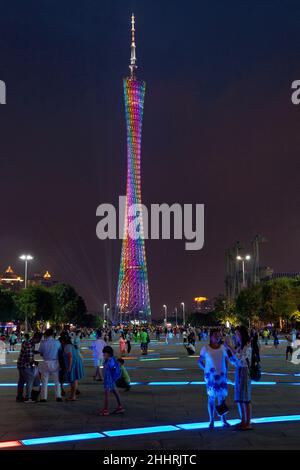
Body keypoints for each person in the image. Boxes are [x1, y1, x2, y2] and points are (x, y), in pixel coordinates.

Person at [198, 329, 230, 428]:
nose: (218, 336)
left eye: (219, 335)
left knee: (222, 399)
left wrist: (226, 373)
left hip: (221, 376)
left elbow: (226, 361)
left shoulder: (223, 348)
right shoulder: (206, 348)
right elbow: (199, 361)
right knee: (211, 398)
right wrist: (206, 370)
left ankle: (223, 419)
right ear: (211, 336)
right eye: (216, 335)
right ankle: (211, 420)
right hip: (211, 378)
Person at [224, 326, 252, 431]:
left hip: (245, 372)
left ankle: (248, 422)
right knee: (240, 398)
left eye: (238, 334)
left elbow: (241, 358)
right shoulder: (240, 346)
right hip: (239, 371)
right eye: (235, 334)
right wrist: (228, 351)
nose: (236, 336)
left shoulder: (247, 345)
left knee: (245, 398)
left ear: (243, 334)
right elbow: (235, 361)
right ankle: (243, 420)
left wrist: (230, 348)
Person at [39, 328, 62, 402]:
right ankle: (58, 396)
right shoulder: (57, 342)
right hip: (55, 362)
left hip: (46, 362)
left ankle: (43, 398)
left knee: (44, 381)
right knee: (57, 381)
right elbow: (60, 352)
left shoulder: (43, 342)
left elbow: (41, 352)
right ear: (53, 334)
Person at [99, 346, 124, 416]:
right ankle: (120, 406)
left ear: (109, 354)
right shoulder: (109, 359)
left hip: (108, 380)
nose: (103, 355)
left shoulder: (110, 361)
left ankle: (106, 410)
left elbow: (112, 368)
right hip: (110, 380)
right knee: (116, 392)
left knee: (107, 395)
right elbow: (102, 367)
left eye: (104, 353)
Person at [60, 334, 84, 400]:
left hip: (73, 364)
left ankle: (73, 396)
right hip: (76, 362)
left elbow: (70, 357)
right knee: (74, 379)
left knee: (73, 380)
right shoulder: (71, 345)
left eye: (60, 342)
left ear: (63, 341)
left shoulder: (67, 346)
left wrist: (69, 367)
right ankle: (73, 394)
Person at [16, 333, 39, 403]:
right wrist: (35, 363)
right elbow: (29, 358)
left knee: (21, 381)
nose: (39, 341)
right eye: (39, 340)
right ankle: (28, 397)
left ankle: (19, 396)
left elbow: (29, 353)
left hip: (20, 364)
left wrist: (36, 352)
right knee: (30, 380)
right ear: (36, 338)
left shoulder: (27, 343)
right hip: (25, 365)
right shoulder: (29, 344)